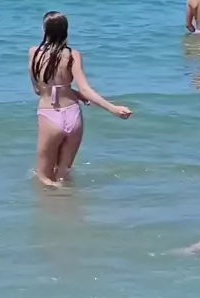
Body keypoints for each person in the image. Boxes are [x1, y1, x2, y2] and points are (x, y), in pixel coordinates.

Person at [29, 11, 132, 186]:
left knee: (44, 177)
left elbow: (38, 90)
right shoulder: (73, 55)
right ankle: (68, 199)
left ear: (44, 30)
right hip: (73, 115)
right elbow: (84, 88)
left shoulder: (34, 53)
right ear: (66, 31)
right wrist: (113, 109)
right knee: (63, 174)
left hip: (49, 116)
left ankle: (54, 201)